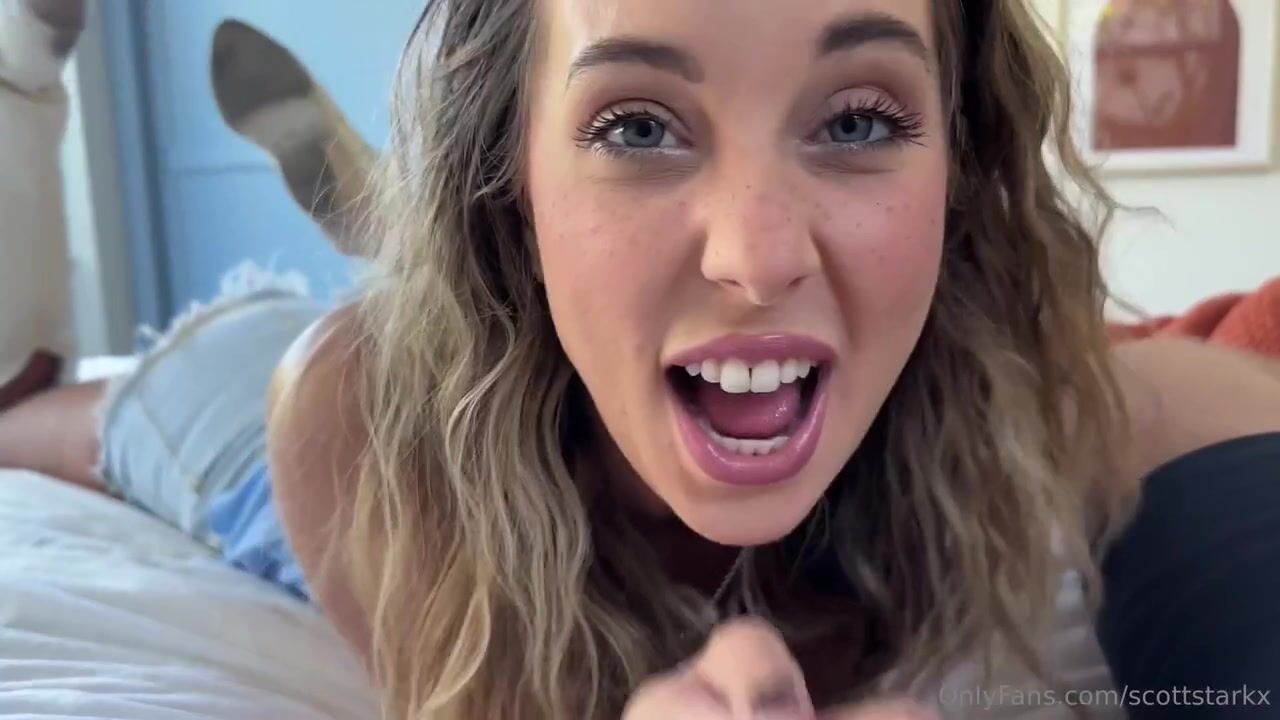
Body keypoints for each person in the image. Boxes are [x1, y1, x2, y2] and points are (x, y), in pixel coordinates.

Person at [2, 1, 1279, 719]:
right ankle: (362, 218)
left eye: (855, 120)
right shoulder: (355, 414)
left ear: (961, 161)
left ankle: (384, 205)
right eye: (634, 126)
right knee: (123, 408)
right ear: (510, 183)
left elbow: (1219, 421)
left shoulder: (1011, 375)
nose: (756, 257)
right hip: (270, 415)